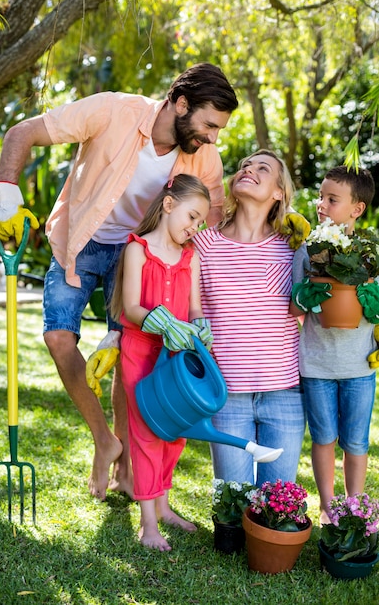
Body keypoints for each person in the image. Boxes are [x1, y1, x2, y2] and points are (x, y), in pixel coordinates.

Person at [0, 63, 239, 501]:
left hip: (137, 254)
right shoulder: (112, 111)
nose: (212, 138)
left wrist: (269, 227)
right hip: (81, 243)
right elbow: (20, 133)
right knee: (58, 338)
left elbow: (211, 220)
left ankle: (127, 469)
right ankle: (105, 439)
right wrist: (5, 194)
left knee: (129, 355)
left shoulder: (205, 157)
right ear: (181, 104)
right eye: (208, 125)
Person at [109, 174, 213, 551]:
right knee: (146, 433)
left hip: (176, 358)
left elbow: (196, 308)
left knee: (174, 432)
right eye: (191, 216)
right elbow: (132, 306)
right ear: (169, 205)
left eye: (200, 221)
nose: (194, 227)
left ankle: (165, 506)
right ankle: (148, 523)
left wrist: (201, 330)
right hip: (141, 351)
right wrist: (166, 322)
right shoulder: (137, 249)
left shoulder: (191, 257)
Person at [193, 149, 306, 487]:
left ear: (278, 193)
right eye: (244, 166)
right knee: (232, 506)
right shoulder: (203, 244)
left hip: (285, 392)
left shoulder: (294, 247)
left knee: (276, 508)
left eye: (262, 168)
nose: (249, 170)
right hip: (226, 394)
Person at [291, 165, 377, 525]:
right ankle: (328, 506)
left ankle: (353, 504)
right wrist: (304, 296)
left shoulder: (371, 254)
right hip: (316, 364)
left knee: (355, 442)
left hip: (359, 365)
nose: (321, 204)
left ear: (357, 208)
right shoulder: (307, 251)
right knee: (323, 437)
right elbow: (293, 305)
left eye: (332, 199)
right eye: (321, 197)